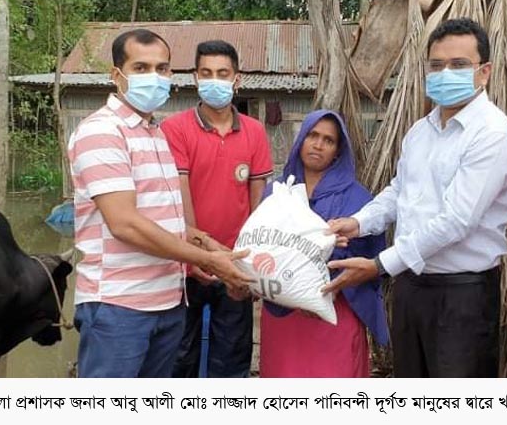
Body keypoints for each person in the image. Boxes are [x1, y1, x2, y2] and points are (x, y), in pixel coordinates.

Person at [325, 18, 507, 378]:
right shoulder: (421, 131)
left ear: (484, 72)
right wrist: (358, 223)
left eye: (459, 65)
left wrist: (379, 265)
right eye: (436, 65)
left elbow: (456, 220)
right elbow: (399, 190)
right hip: (411, 286)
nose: (445, 73)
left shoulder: (493, 135)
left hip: (462, 295)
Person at [67, 29, 252, 378]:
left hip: (168, 302)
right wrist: (205, 258)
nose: (154, 77)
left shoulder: (154, 133)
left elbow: (165, 219)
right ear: (117, 75)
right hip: (120, 306)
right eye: (141, 67)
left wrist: (204, 242)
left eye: (162, 68)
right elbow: (125, 224)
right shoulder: (102, 131)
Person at [161, 40, 274, 378]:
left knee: (232, 358)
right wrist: (196, 257)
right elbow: (180, 194)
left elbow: (258, 204)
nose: (215, 80)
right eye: (206, 73)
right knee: (180, 357)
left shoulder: (254, 131)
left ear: (237, 79)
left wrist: (250, 265)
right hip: (184, 263)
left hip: (235, 262)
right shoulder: (175, 128)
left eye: (222, 73)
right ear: (195, 77)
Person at [259, 110, 389, 378]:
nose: (318, 144)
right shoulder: (276, 192)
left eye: (328, 140)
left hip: (335, 310)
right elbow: (260, 245)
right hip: (284, 312)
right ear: (301, 140)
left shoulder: (358, 199)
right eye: (312, 136)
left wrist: (335, 265)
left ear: (338, 151)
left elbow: (373, 259)